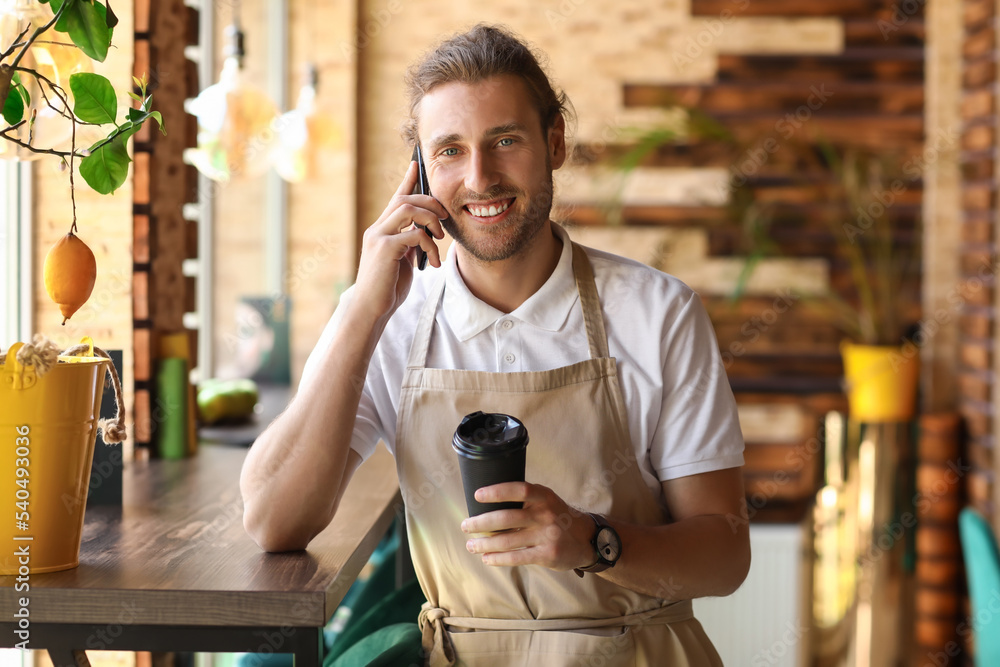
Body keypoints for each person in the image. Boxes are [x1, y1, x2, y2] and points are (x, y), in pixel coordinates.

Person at [241, 23, 750, 666]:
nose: (480, 178)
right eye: (449, 151)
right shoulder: (394, 322)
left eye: (504, 141)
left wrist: (593, 540)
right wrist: (360, 309)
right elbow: (272, 519)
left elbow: (725, 558)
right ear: (420, 171)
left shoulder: (659, 313)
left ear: (555, 142)